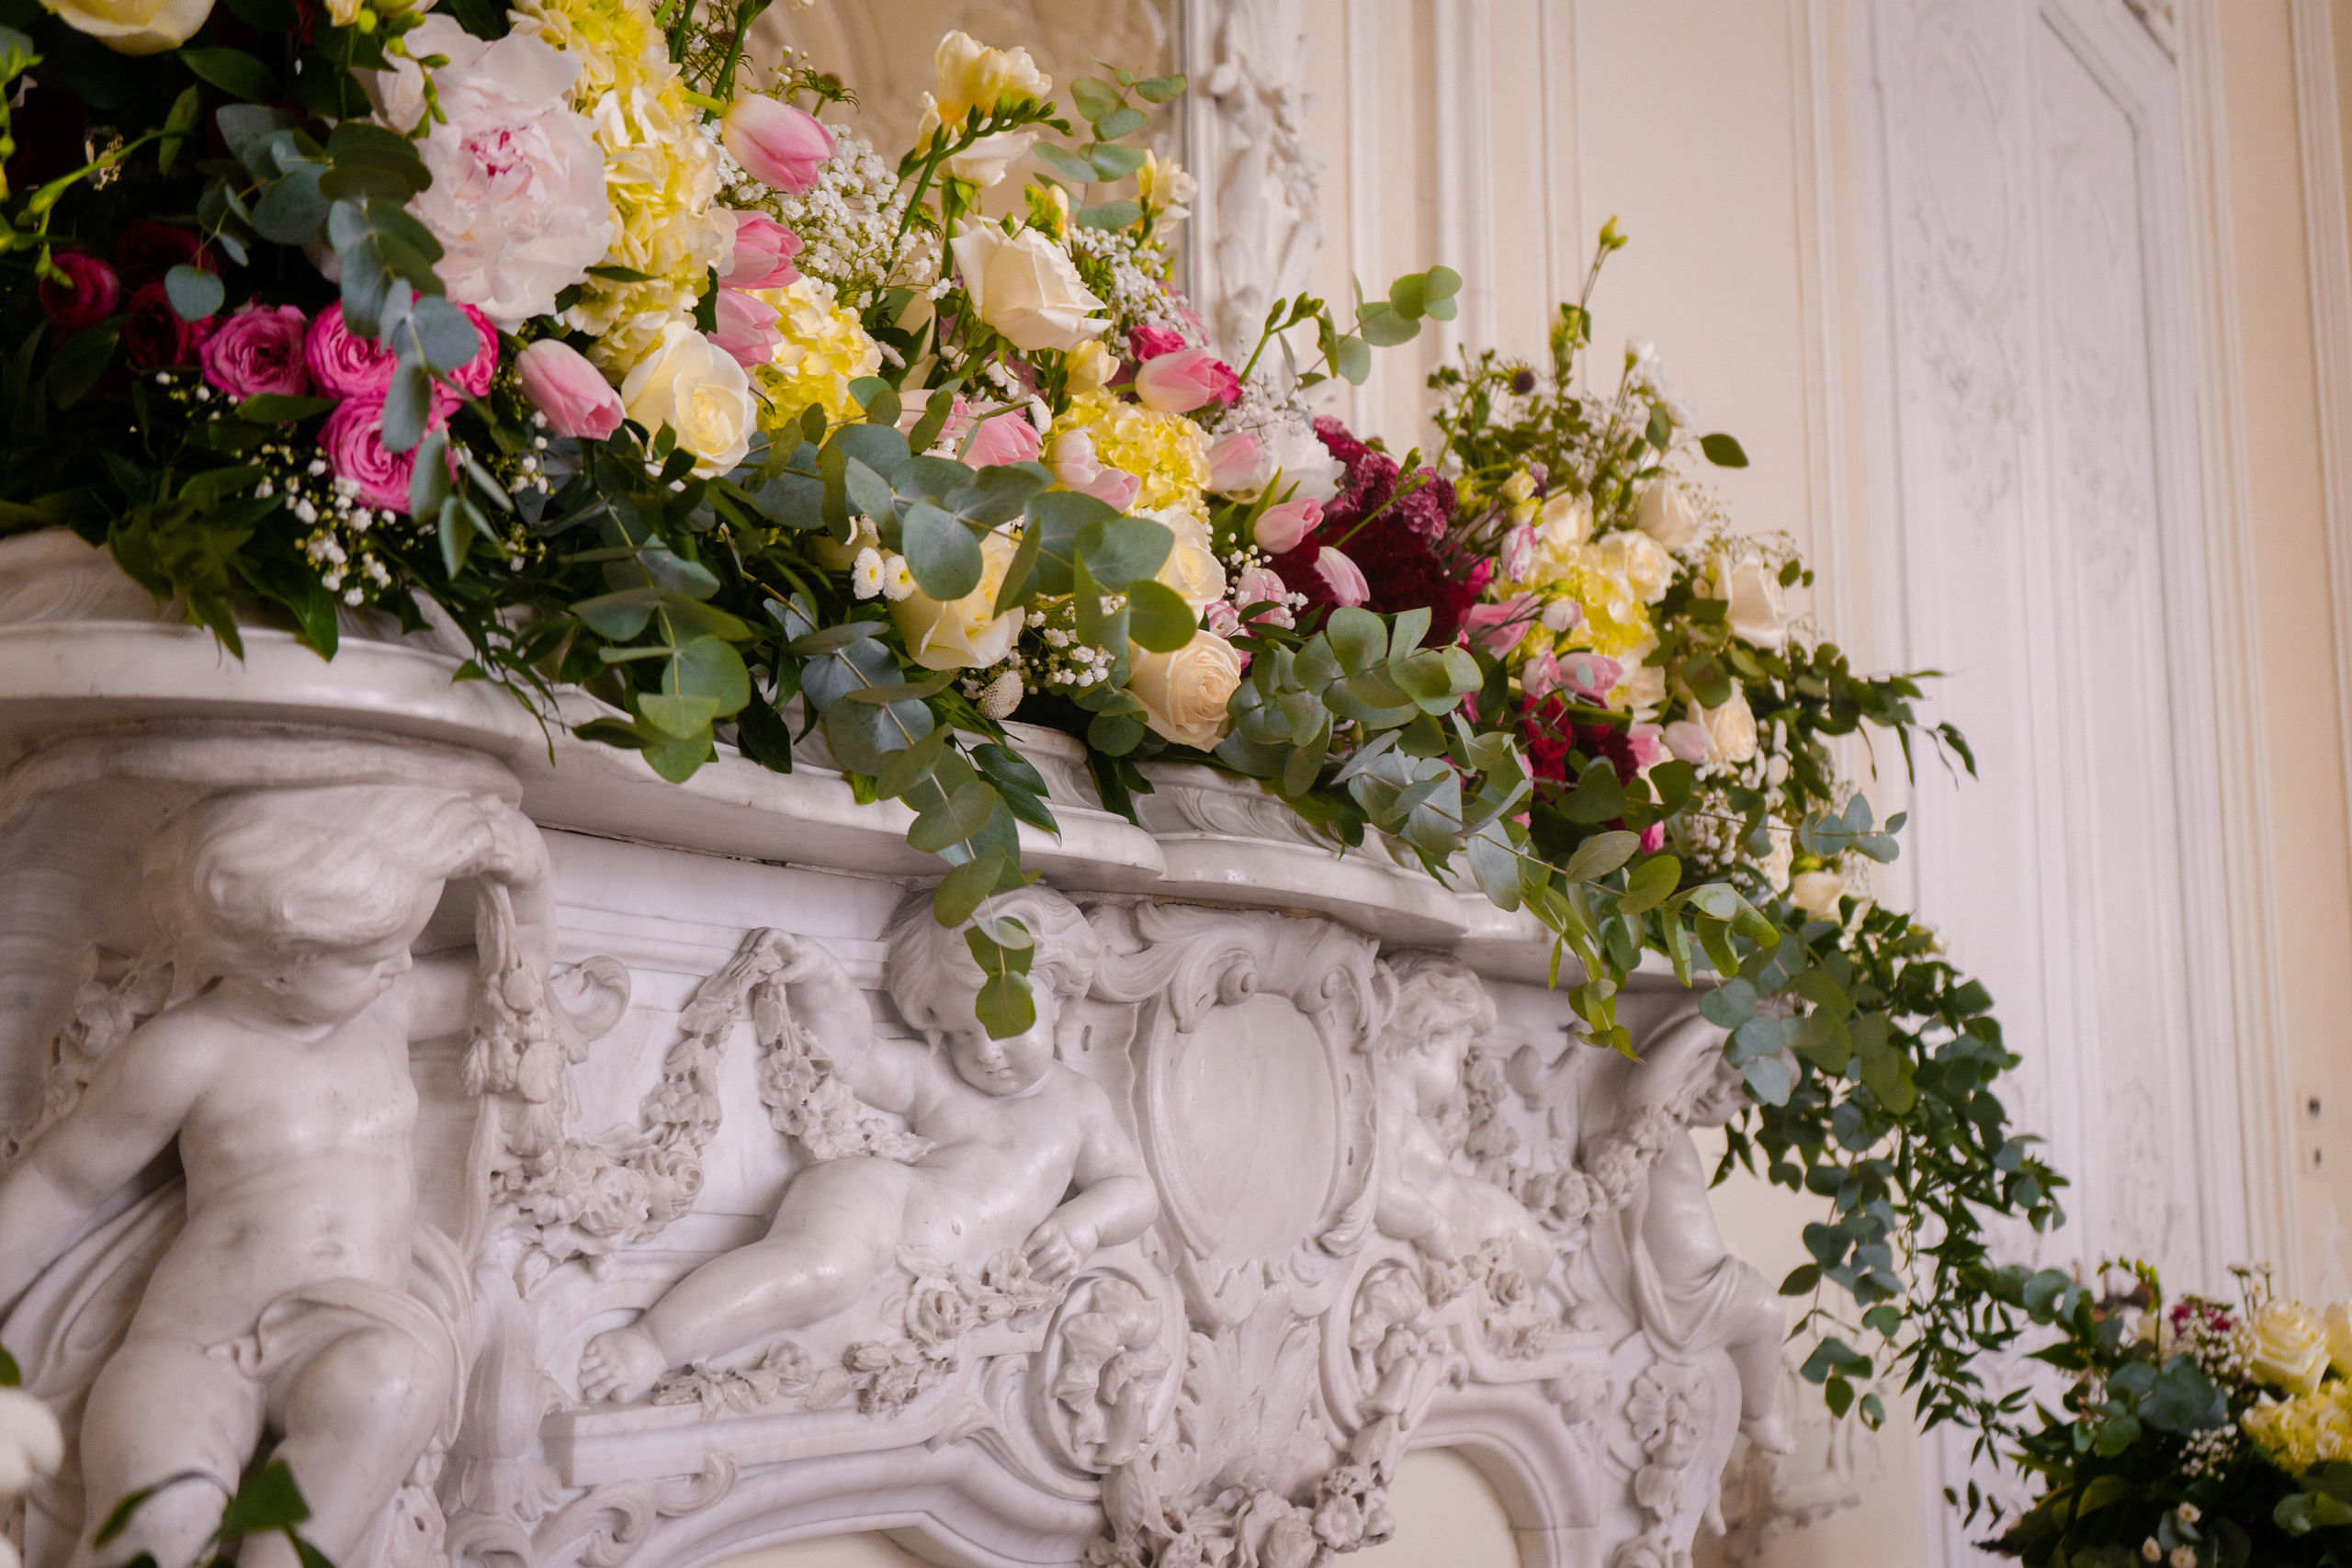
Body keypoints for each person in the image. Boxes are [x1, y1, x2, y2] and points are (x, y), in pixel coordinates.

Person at [0, 785, 552, 1568]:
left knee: (387, 1384)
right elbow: (63, 1184)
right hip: (196, 1341)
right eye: (369, 955)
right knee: (161, 1514)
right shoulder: (191, 1050)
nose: (401, 963)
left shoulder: (386, 1013)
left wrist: (526, 878)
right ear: (278, 965)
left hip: (359, 1328)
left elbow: (516, 976)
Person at [580, 886, 1158, 1404]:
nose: (984, 1052)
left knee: (828, 1282)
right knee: (822, 1270)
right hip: (883, 1199)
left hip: (918, 1261)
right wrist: (821, 980)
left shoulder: (1080, 1104)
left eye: (1004, 1023)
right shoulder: (938, 1080)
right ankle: (652, 1342)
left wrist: (1086, 1224)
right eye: (960, 1033)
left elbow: (1132, 1189)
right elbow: (855, 1055)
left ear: (1060, 993)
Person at [1369, 951, 1555, 1288]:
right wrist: (1431, 1226)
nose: (1460, 1075)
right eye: (1460, 1057)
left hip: (1473, 1224)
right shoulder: (1383, 1105)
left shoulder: (1396, 1110)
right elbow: (1381, 1193)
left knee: (1538, 1250)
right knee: (1535, 1250)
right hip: (1462, 1242)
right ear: (1430, 1037)